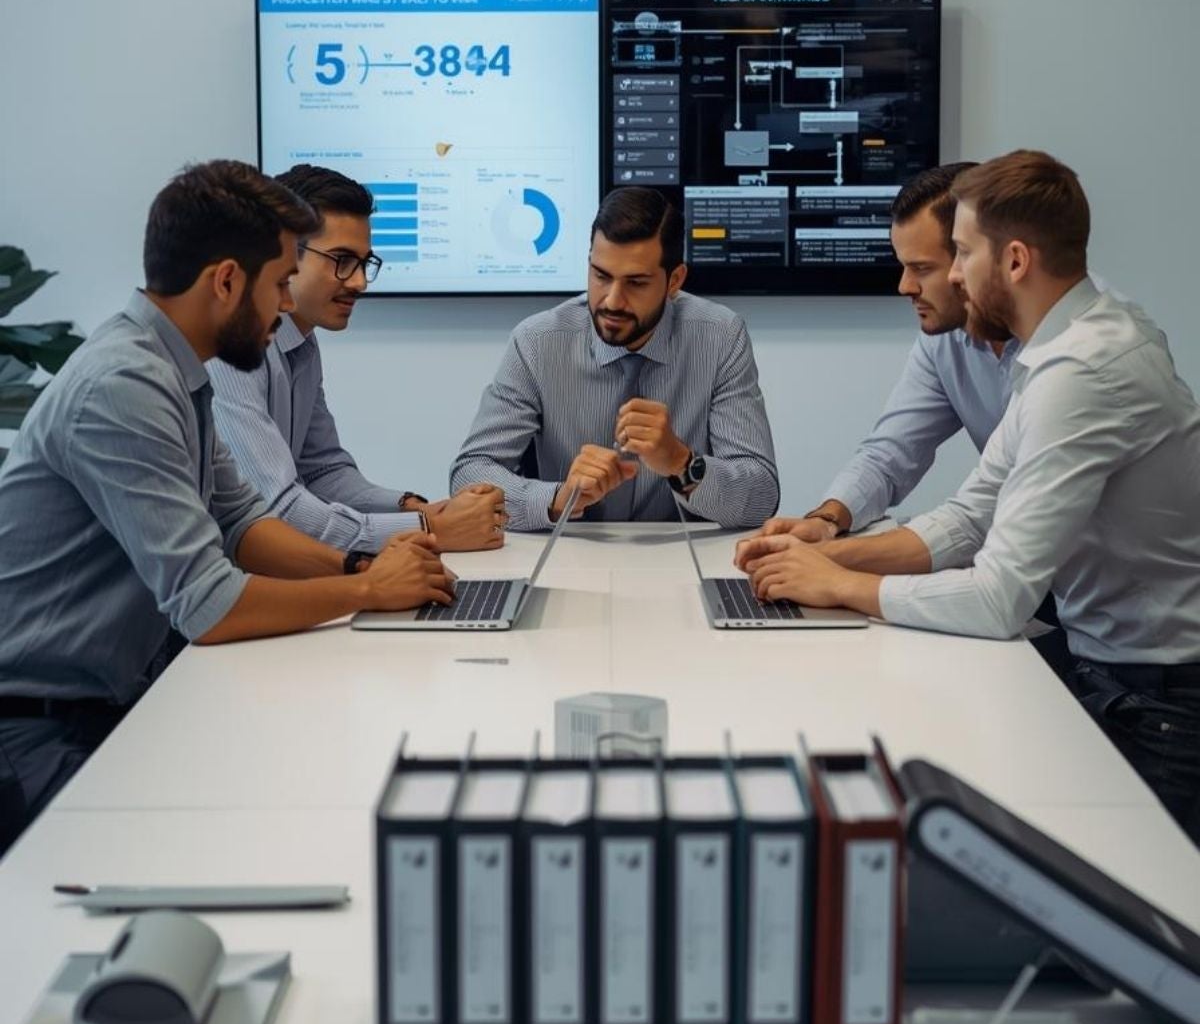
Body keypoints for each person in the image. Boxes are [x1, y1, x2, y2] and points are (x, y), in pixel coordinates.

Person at [736, 152, 1200, 840]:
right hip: (1108, 664)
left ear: (1013, 261)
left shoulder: (1083, 371)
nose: (949, 274)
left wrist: (839, 584)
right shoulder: (1055, 352)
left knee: (1139, 929)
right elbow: (969, 514)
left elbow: (997, 596)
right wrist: (831, 552)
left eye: (957, 253)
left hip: (1158, 694)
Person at [0, 161, 455, 850]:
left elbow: (242, 525)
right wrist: (365, 588)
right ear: (225, 282)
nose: (283, 305)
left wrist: (363, 562)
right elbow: (207, 604)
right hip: (35, 725)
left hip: (110, 700)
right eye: (279, 283)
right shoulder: (124, 385)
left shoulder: (177, 370)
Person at [210, 165, 505, 555]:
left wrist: (414, 507)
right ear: (281, 252)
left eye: (364, 263)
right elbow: (276, 510)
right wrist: (429, 528)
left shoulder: (301, 341)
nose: (360, 282)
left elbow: (322, 471)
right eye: (341, 260)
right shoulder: (231, 350)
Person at [450, 187, 780, 530]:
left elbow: (761, 497)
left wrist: (681, 462)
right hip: (566, 552)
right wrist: (557, 499)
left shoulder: (720, 337)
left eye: (636, 283)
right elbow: (470, 475)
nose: (612, 301)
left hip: (679, 558)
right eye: (601, 276)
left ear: (675, 281)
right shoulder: (537, 341)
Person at [779, 162, 1018, 543]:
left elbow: (981, 516)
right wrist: (826, 520)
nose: (905, 286)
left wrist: (834, 566)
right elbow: (890, 454)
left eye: (921, 269)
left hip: (1095, 594)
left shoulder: (1080, 350)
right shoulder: (945, 338)